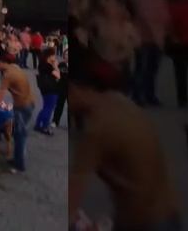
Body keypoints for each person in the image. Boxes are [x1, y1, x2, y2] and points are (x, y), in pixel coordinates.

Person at [70, 47, 180, 231]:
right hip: (167, 213)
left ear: (74, 89)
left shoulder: (96, 127)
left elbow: (72, 197)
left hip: (143, 222)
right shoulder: (121, 101)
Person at [0, 49, 35, 173]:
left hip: (23, 106)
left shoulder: (7, 75)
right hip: (28, 102)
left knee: (20, 135)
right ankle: (17, 159)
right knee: (18, 134)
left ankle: (19, 164)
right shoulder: (14, 67)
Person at [133, 0, 170, 106]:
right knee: (141, 69)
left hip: (157, 40)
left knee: (152, 70)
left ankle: (149, 95)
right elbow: (144, 18)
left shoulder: (162, 1)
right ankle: (137, 95)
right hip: (144, 39)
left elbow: (166, 20)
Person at [34, 48, 61, 135]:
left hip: (44, 89)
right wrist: (56, 66)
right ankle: (45, 126)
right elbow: (58, 76)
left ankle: (38, 124)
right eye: (53, 55)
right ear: (49, 56)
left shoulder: (42, 64)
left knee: (45, 107)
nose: (55, 57)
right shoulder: (48, 66)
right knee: (49, 108)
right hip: (51, 88)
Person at [52, 49, 68, 128]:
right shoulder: (61, 65)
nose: (67, 56)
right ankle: (55, 121)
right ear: (64, 56)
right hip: (61, 88)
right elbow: (55, 74)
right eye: (66, 54)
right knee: (59, 105)